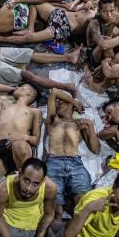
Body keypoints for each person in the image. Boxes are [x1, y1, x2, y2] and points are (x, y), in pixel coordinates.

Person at [43, 89, 99, 220]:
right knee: (55, 209)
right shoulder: (52, 120)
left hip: (75, 164)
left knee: (83, 203)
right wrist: (74, 101)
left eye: (61, 103)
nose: (57, 105)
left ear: (70, 107)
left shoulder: (79, 125)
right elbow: (54, 92)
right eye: (56, 103)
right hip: (53, 162)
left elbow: (96, 150)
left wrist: (90, 126)